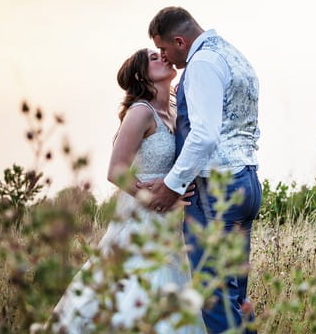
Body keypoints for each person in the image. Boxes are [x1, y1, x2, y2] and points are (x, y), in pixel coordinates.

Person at [49, 49, 205, 334]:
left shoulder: (173, 112)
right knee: (139, 285)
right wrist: (156, 199)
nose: (163, 57)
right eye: (154, 58)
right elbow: (116, 171)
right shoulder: (140, 112)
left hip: (170, 222)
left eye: (161, 54)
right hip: (141, 216)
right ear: (140, 75)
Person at [140, 6, 262, 334]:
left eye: (164, 49)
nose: (165, 57)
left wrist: (172, 184)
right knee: (235, 296)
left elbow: (205, 135)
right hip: (247, 179)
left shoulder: (203, 64)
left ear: (180, 41)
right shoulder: (232, 55)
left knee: (215, 296)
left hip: (217, 189)